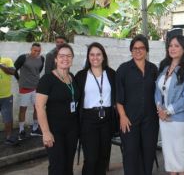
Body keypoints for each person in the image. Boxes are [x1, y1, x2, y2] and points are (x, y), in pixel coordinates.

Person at [116, 35, 159, 175]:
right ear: (131, 50)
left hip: (150, 120)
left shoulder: (153, 69)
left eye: (141, 48)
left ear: (146, 50)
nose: (138, 51)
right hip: (129, 119)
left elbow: (158, 94)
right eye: (135, 48)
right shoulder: (123, 69)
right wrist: (122, 116)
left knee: (148, 152)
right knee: (130, 154)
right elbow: (118, 96)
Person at [35, 43, 79, 175]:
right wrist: (46, 132)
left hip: (72, 129)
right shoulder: (47, 79)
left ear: (72, 59)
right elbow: (40, 106)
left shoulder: (72, 77)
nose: (65, 58)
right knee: (57, 167)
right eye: (62, 56)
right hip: (54, 130)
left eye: (68, 56)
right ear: (55, 59)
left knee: (68, 166)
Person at [154, 35, 184, 175]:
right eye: (170, 45)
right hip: (163, 117)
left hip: (180, 118)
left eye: (176, 46)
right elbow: (158, 90)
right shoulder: (165, 66)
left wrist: (168, 111)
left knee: (180, 152)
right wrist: (160, 108)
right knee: (169, 152)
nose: (172, 48)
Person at [75, 42, 117, 175]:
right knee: (91, 158)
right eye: (92, 55)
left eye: (98, 54)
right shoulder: (81, 76)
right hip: (88, 120)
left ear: (103, 56)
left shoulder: (111, 74)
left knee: (103, 158)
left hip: (107, 119)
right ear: (88, 57)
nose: (95, 57)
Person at [14, 43, 45, 140]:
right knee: (23, 109)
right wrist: (19, 79)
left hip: (37, 88)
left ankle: (35, 129)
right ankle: (21, 130)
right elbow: (14, 69)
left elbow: (38, 71)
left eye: (38, 51)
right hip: (25, 88)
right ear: (31, 49)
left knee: (37, 108)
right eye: (35, 50)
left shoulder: (41, 59)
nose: (36, 52)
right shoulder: (23, 58)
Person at [0, 55, 18, 145]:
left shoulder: (7, 60)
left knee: (8, 118)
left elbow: (13, 71)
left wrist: (1, 65)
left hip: (6, 97)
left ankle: (9, 137)